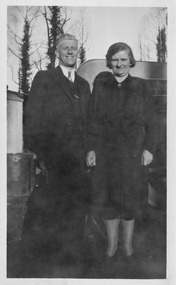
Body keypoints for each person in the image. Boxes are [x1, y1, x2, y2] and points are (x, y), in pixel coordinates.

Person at [22, 33, 91, 274]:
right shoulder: (45, 78)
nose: (70, 52)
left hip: (79, 161)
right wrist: (40, 155)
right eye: (65, 48)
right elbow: (32, 117)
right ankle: (48, 263)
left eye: (73, 48)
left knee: (76, 209)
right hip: (53, 159)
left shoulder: (83, 84)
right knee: (52, 209)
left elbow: (88, 122)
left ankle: (72, 258)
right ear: (57, 52)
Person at [86, 42, 158, 261]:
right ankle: (111, 246)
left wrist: (149, 149)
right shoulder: (101, 84)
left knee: (130, 200)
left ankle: (127, 246)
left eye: (123, 59)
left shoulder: (142, 86)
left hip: (133, 152)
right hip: (105, 152)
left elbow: (153, 122)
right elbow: (92, 119)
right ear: (110, 62)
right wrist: (90, 148)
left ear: (130, 61)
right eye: (115, 59)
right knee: (108, 200)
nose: (119, 64)